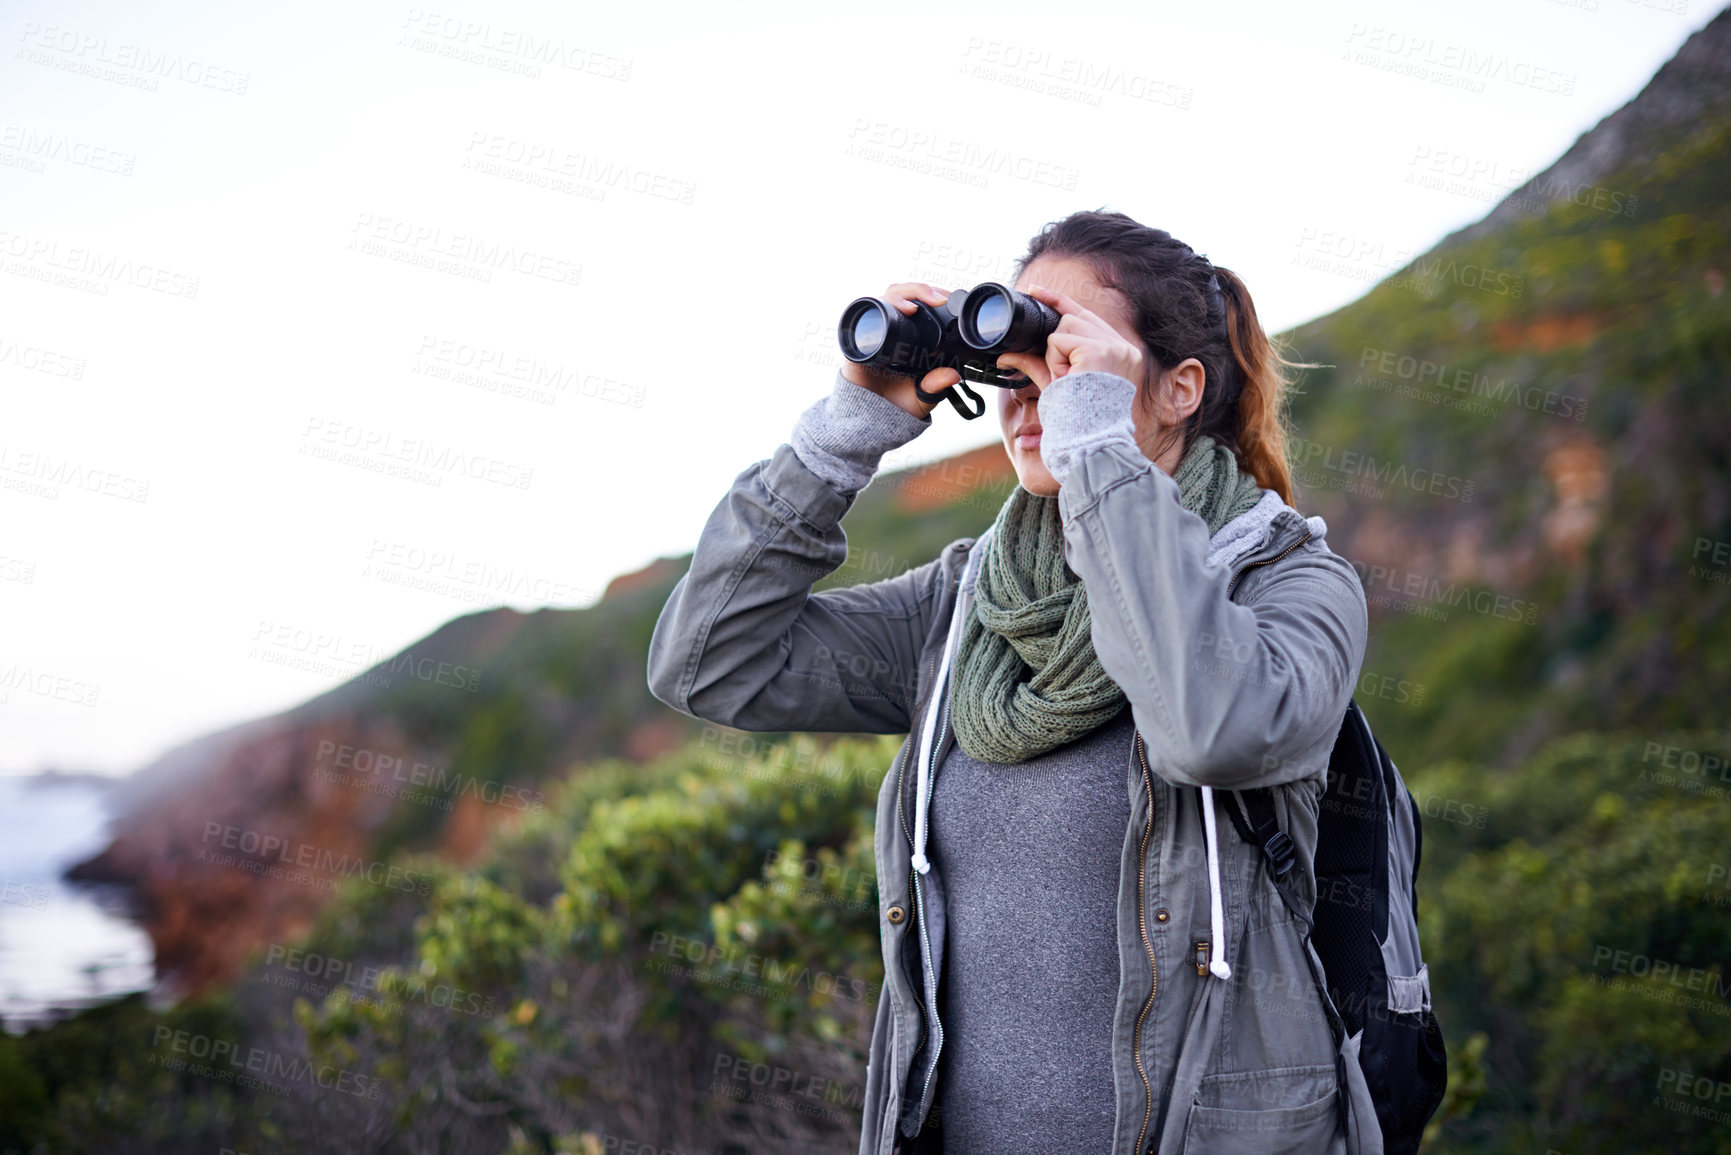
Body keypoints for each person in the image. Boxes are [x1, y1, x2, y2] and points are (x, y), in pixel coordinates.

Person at [646, 209, 1375, 1155]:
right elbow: (710, 663)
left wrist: (1097, 452)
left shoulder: (1289, 582)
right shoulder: (965, 606)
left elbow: (1211, 728)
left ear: (1180, 387)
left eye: (1068, 360)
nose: (1032, 397)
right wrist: (841, 436)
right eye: (1017, 364)